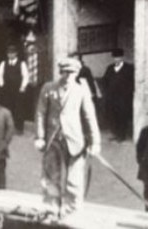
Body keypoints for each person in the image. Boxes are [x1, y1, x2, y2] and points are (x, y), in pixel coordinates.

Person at [34, 58, 101, 216]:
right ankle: (51, 206)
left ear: (77, 73)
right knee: (50, 175)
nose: (68, 76)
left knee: (74, 178)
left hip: (75, 140)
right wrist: (40, 137)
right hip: (53, 139)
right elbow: (40, 113)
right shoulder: (48, 88)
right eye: (65, 72)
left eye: (71, 73)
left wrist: (95, 142)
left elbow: (89, 117)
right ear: (60, 72)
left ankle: (72, 209)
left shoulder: (81, 90)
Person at [0, 45, 31, 133]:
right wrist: (2, 84)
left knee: (18, 108)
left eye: (12, 53)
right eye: (9, 53)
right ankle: (6, 127)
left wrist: (23, 86)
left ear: (16, 54)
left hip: (18, 89)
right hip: (7, 89)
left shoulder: (21, 63)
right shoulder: (4, 63)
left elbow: (25, 76)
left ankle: (19, 128)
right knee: (7, 107)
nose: (10, 55)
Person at [103, 48, 135, 141]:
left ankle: (122, 135)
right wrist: (107, 92)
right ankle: (116, 134)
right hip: (112, 97)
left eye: (118, 57)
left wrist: (127, 93)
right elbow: (105, 80)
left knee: (122, 116)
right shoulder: (110, 68)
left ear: (122, 57)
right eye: (115, 57)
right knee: (114, 115)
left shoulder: (128, 68)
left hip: (123, 98)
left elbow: (132, 82)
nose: (116, 59)